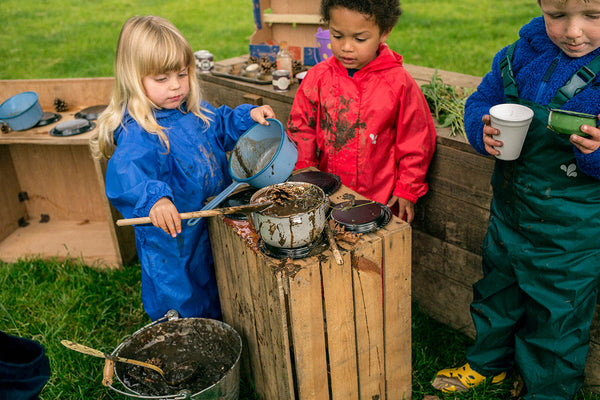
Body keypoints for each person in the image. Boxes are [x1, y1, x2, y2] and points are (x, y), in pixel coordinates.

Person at [432, 0, 600, 399]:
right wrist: (481, 128)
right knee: (495, 293)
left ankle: (548, 391)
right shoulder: (519, 54)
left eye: (593, 17)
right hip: (509, 214)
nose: (573, 31)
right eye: (557, 15)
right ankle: (488, 365)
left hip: (570, 234)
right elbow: (479, 101)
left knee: (556, 315)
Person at [94, 15, 275, 321]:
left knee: (215, 281)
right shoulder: (140, 131)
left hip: (209, 223)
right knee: (180, 299)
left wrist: (249, 117)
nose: (176, 86)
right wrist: (156, 200)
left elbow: (220, 124)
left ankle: (218, 327)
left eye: (181, 74)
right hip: (171, 240)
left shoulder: (191, 110)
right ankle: (183, 339)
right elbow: (128, 173)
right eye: (161, 79)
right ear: (133, 79)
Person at [287, 0, 436, 223]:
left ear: (384, 33)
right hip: (327, 198)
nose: (347, 47)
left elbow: (416, 140)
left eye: (359, 39)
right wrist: (304, 178)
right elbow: (301, 130)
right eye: (337, 36)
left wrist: (407, 188)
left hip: (378, 201)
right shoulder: (318, 77)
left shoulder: (398, 83)